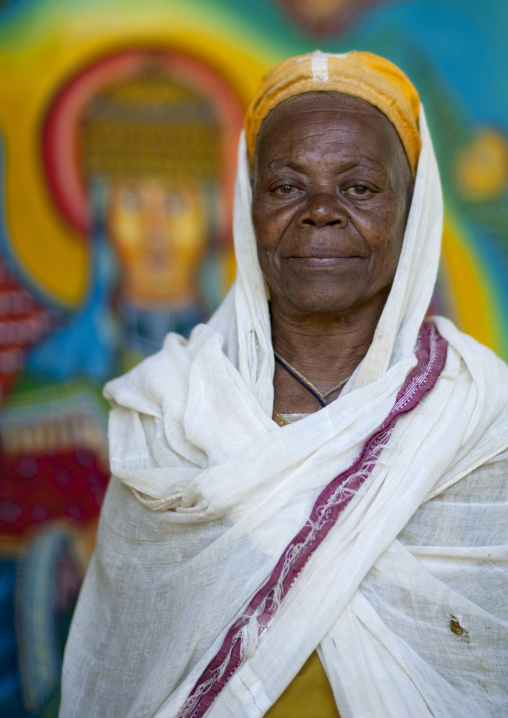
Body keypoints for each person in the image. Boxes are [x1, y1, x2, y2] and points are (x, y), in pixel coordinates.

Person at [59, 51, 508, 718]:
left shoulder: (478, 415)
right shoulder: (173, 413)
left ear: (413, 215)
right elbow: (121, 674)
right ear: (248, 205)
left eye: (359, 188)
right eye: (287, 187)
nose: (321, 212)